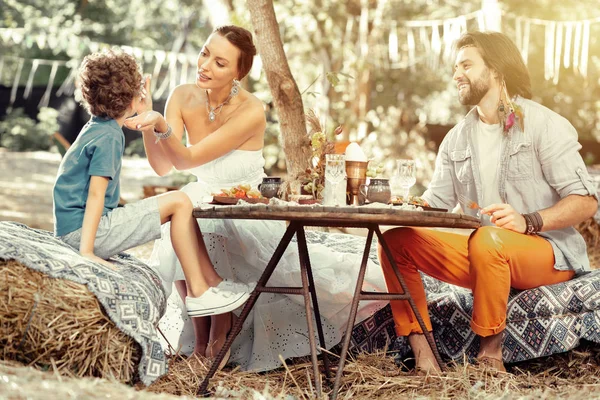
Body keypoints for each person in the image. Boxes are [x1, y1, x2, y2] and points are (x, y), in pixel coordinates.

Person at [124, 25, 388, 370]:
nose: (205, 65)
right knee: (180, 214)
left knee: (199, 221)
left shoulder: (250, 110)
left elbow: (187, 158)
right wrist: (148, 122)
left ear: (239, 72)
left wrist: (162, 126)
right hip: (203, 195)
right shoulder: (181, 95)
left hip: (245, 201)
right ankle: (202, 335)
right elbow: (162, 166)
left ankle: (223, 321)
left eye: (220, 63)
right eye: (205, 53)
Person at [378, 31, 599, 374]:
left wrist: (529, 221)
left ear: (495, 70)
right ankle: (425, 358)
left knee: (487, 239)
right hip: (485, 255)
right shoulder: (456, 139)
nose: (456, 74)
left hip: (546, 253)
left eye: (466, 64)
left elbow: (586, 202)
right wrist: (396, 205)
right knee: (395, 242)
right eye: (455, 67)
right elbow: (435, 205)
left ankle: (490, 359)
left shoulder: (544, 124)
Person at [52, 49, 251, 326]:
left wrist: (144, 113)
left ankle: (206, 286)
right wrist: (86, 252)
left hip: (74, 229)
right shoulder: (110, 137)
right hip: (87, 234)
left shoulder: (96, 128)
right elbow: (96, 193)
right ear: (133, 95)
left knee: (178, 204)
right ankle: (200, 290)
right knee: (180, 201)